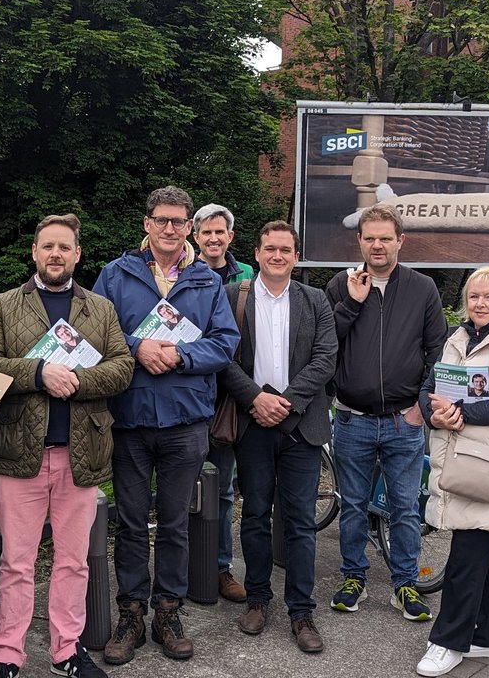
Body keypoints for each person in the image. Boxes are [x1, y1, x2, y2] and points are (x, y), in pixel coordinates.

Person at [0, 214, 134, 678]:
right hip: (18, 452)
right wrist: (40, 372)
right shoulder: (4, 305)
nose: (55, 255)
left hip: (81, 454)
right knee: (16, 562)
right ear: (35, 252)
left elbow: (123, 367)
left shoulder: (100, 309)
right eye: (48, 246)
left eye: (64, 247)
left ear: (77, 254)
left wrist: (76, 380)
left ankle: (67, 649)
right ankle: (6, 654)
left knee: (72, 561)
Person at [93, 186, 240, 664]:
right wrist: (137, 347)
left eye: (179, 222)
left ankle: (168, 610)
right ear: (147, 224)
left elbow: (225, 343)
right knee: (133, 523)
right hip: (130, 418)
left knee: (176, 523)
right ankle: (131, 611)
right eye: (162, 220)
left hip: (185, 420)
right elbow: (97, 334)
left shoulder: (205, 281)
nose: (171, 229)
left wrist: (179, 354)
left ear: (189, 229)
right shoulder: (115, 275)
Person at [324, 205, 447, 622]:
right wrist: (352, 304)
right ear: (359, 241)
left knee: (405, 507)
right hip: (352, 419)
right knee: (354, 505)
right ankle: (353, 577)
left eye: (385, 238)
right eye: (369, 238)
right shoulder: (339, 286)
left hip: (403, 420)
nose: (377, 245)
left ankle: (405, 584)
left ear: (400, 241)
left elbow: (438, 352)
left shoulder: (422, 287)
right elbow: (326, 345)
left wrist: (422, 405)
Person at [218, 222, 337, 652]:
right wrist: (255, 399)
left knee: (301, 524)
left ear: (296, 255)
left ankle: (301, 611)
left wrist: (284, 403)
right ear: (257, 251)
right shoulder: (234, 296)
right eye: (270, 248)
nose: (278, 255)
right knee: (253, 517)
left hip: (300, 426)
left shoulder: (316, 300)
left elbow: (326, 359)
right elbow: (223, 355)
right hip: (252, 424)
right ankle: (257, 599)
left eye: (286, 249)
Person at [414, 267, 489, 676]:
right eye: (473, 296)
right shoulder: (457, 337)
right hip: (460, 458)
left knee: (468, 552)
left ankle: (448, 641)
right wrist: (436, 412)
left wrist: (459, 414)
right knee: (480, 549)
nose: (479, 304)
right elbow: (429, 387)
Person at [193, 202, 255, 604]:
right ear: (194, 236)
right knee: (182, 487)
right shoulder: (182, 275)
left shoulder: (248, 277)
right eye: (206, 232)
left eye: (221, 232)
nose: (214, 239)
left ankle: (218, 567)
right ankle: (184, 565)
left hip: (230, 401)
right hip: (188, 393)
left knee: (224, 488)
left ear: (230, 237)